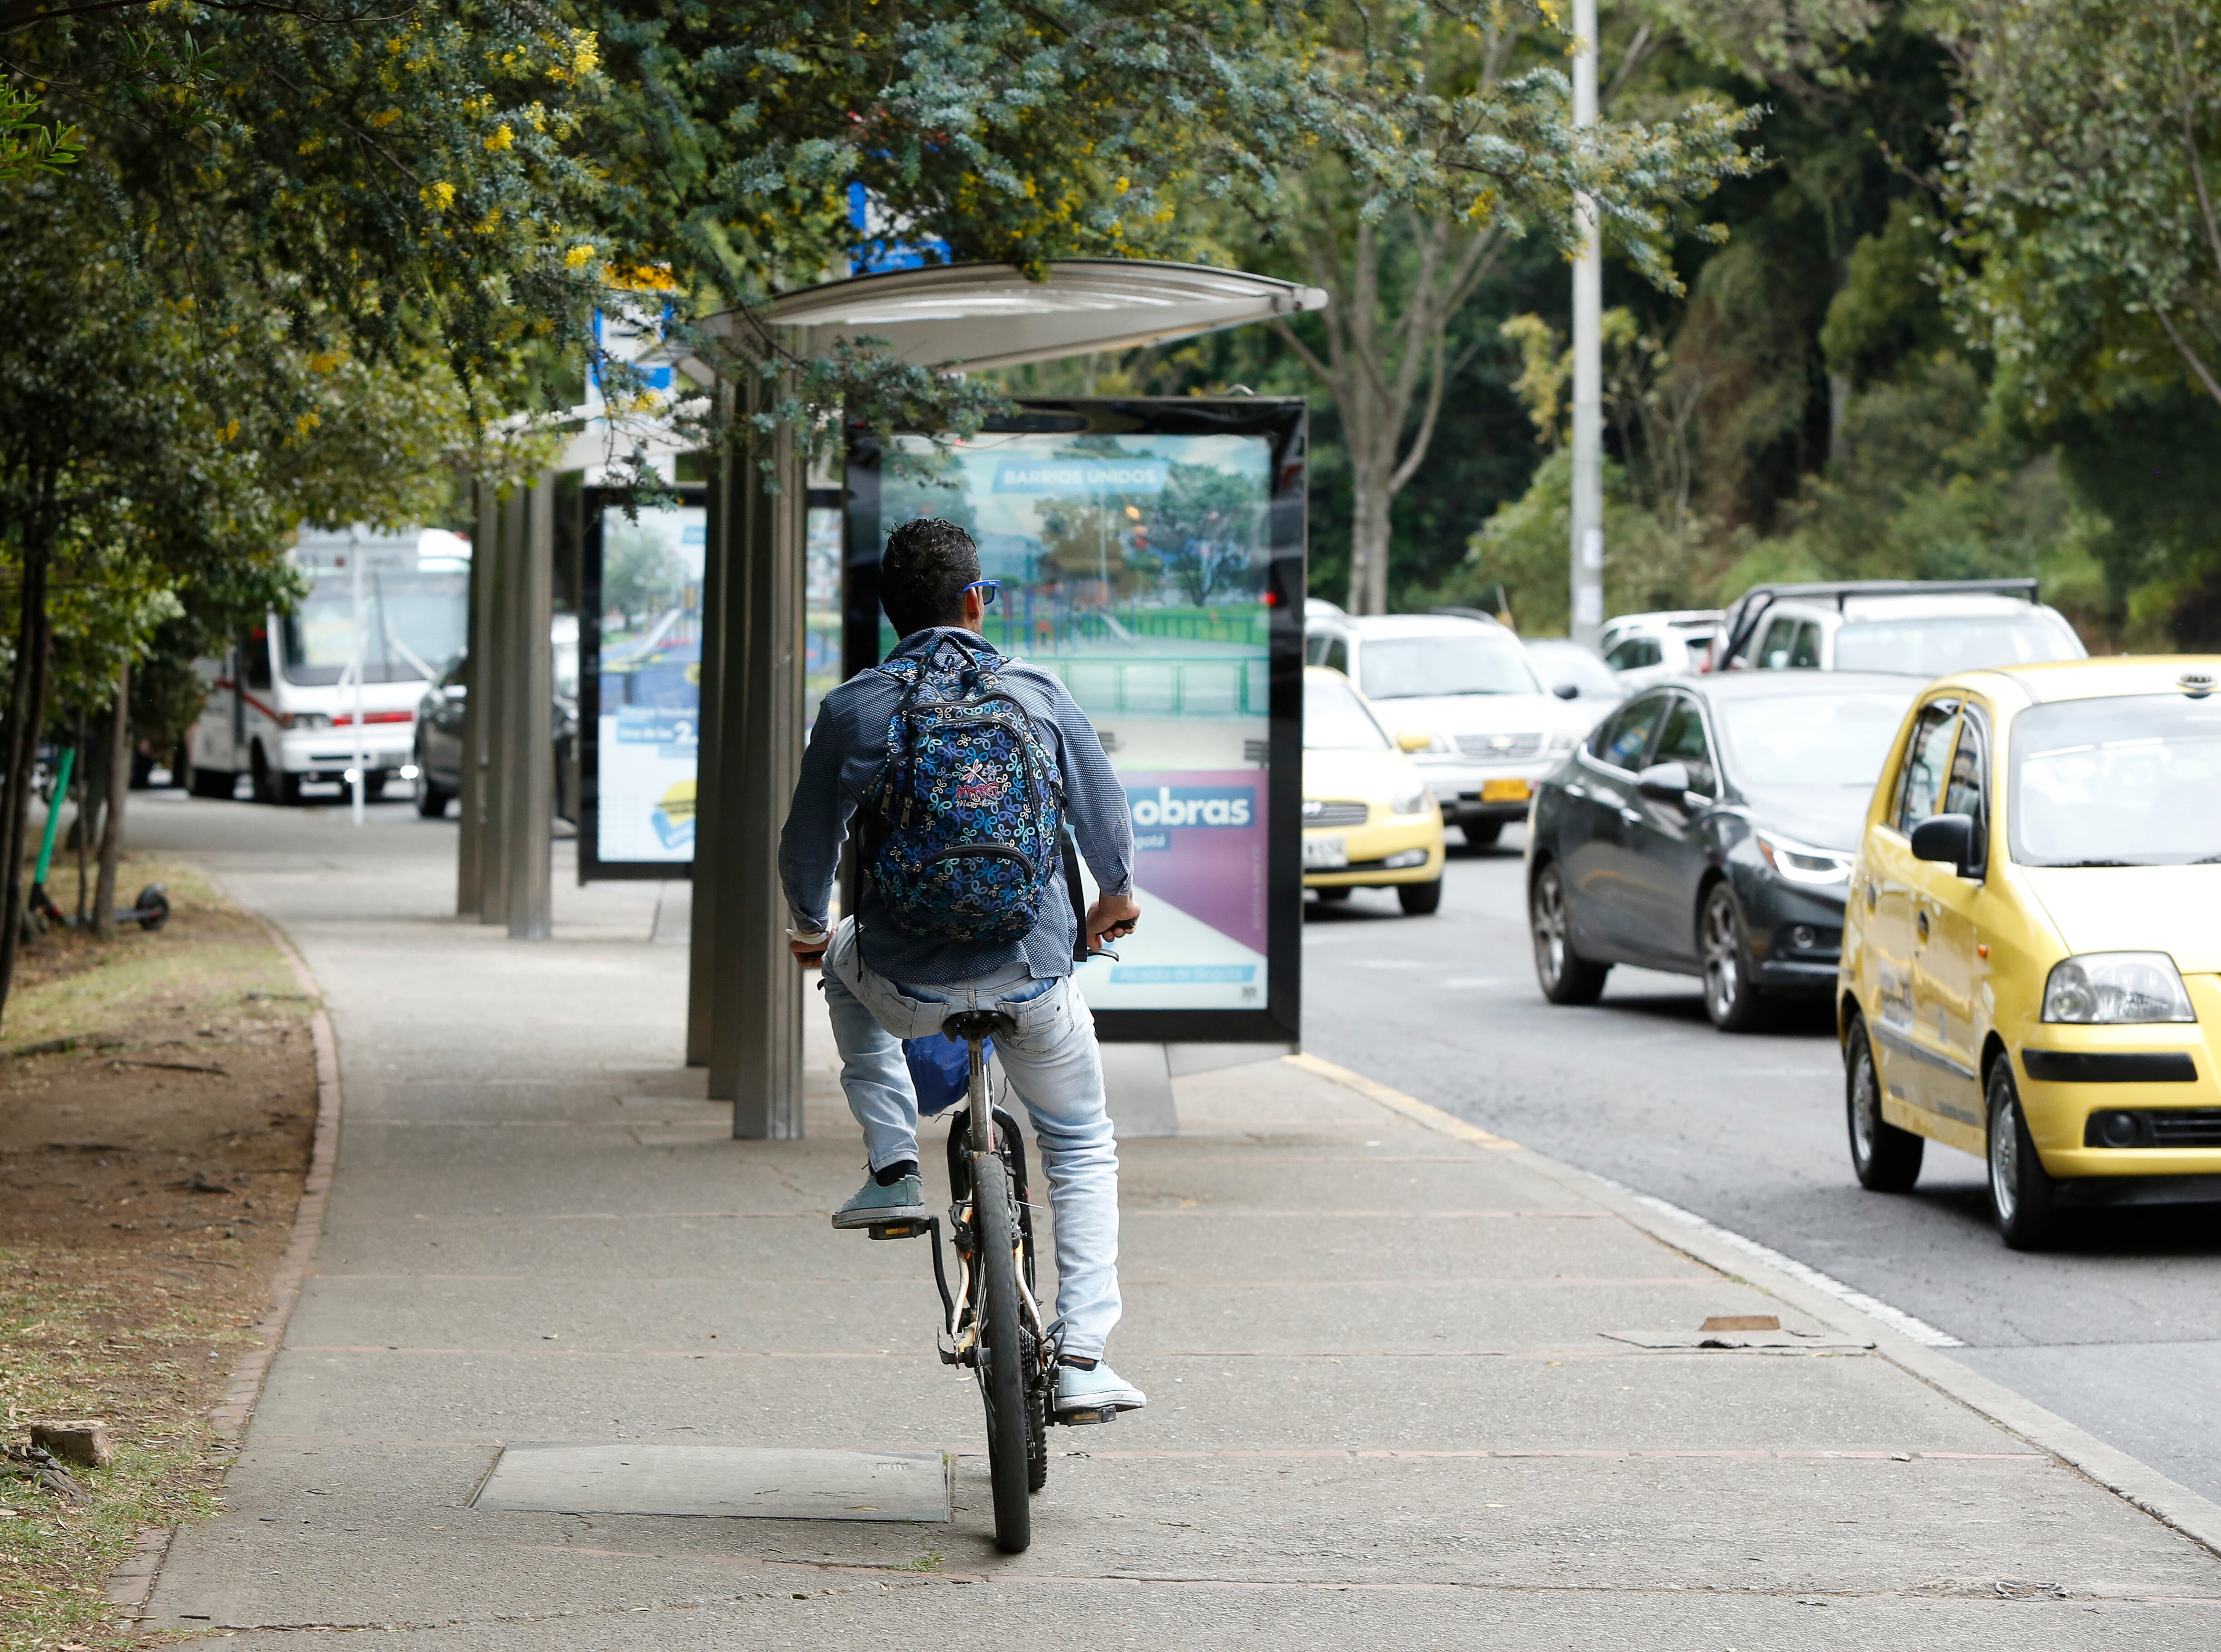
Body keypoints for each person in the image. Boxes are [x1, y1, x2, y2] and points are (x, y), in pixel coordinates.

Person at [777, 517, 1146, 1418]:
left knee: (840, 965)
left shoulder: (855, 707)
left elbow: (805, 849)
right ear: (976, 601)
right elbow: (1105, 822)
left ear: (889, 615)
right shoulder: (1039, 691)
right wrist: (1116, 897)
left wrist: (807, 926)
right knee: (1079, 1142)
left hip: (904, 982)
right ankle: (1087, 1353)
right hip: (1032, 974)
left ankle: (894, 1163)